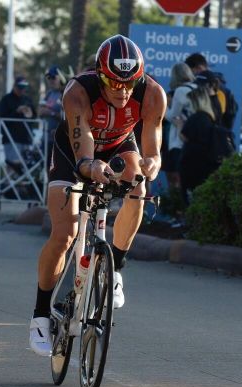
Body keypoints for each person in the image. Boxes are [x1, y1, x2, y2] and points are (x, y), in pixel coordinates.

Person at [29, 34, 167, 356]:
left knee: (139, 185)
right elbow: (83, 146)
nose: (122, 91)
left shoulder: (153, 94)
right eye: (113, 83)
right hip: (75, 151)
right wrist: (91, 167)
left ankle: (114, 269)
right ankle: (39, 315)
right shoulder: (78, 91)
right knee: (66, 233)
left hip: (119, 144)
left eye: (129, 83)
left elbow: (152, 148)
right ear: (100, 75)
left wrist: (152, 163)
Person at [179, 86, 219, 204]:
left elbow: (184, 136)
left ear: (196, 102)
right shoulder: (210, 117)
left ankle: (189, 220)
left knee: (189, 196)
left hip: (191, 163)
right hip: (205, 163)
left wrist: (180, 124)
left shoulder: (196, 117)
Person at [164, 62, 196, 190]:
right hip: (194, 139)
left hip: (179, 140)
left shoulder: (180, 91)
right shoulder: (196, 87)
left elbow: (172, 116)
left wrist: (164, 106)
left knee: (179, 180)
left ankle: (178, 208)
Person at [0, 75, 36, 167]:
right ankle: (9, 182)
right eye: (19, 87)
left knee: (25, 167)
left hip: (26, 138)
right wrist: (16, 111)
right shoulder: (6, 99)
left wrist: (29, 112)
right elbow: (2, 118)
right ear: (14, 86)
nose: (22, 90)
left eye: (24, 87)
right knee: (13, 165)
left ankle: (22, 182)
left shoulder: (27, 100)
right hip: (11, 139)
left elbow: (34, 116)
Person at [38, 66, 65, 173]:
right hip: (46, 138)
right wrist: (50, 112)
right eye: (48, 78)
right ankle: (47, 189)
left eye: (53, 77)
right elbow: (40, 111)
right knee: (46, 169)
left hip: (58, 139)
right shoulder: (49, 94)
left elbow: (66, 115)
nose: (51, 80)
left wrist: (51, 113)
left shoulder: (63, 93)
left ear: (60, 77)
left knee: (56, 169)